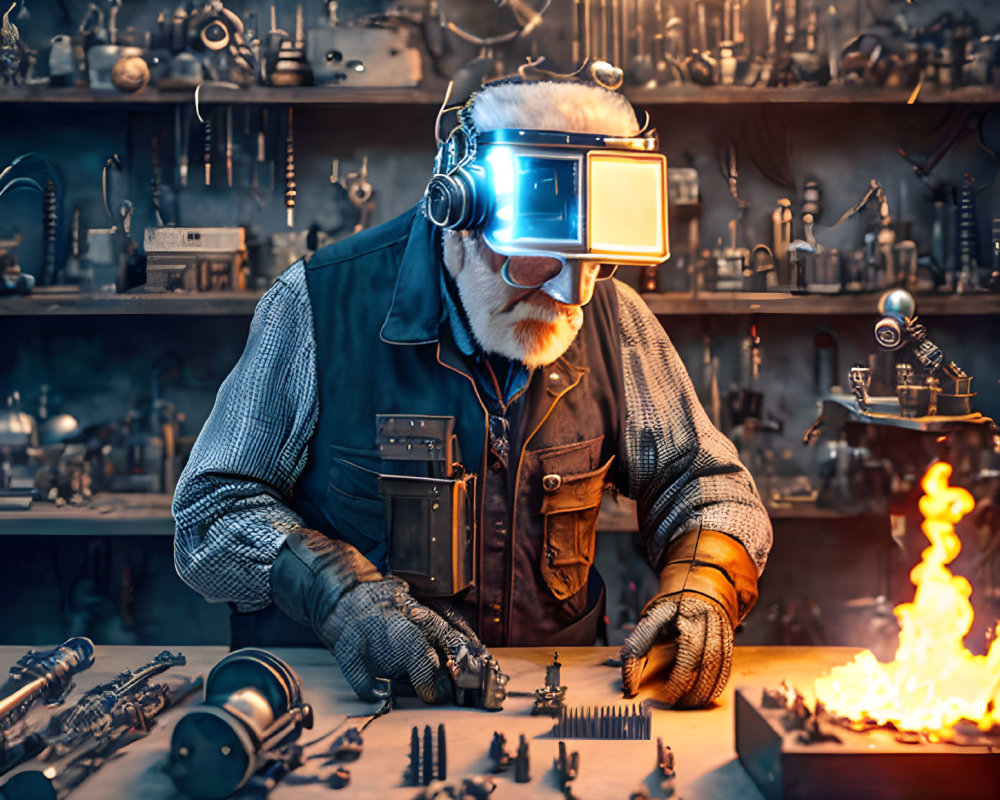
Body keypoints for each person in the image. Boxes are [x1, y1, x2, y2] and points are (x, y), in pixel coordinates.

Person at [173, 64, 772, 710]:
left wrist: (703, 582)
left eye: (595, 260)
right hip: (337, 701)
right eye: (540, 255)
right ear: (457, 211)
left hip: (537, 703)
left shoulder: (613, 319)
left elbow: (706, 485)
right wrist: (340, 594)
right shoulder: (319, 302)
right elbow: (211, 515)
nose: (574, 293)